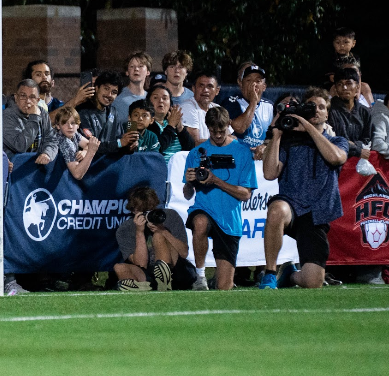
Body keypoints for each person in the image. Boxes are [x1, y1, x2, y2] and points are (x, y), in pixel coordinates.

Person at [260, 87, 349, 289]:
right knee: (276, 210)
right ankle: (270, 273)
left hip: (316, 213)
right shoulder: (289, 142)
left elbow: (336, 158)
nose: (316, 110)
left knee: (313, 282)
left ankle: (290, 274)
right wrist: (277, 136)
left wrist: (307, 127)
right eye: (311, 106)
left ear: (327, 113)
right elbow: (269, 173)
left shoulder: (337, 141)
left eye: (321, 107)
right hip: (290, 206)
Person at [182, 107, 257, 291]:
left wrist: (215, 180)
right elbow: (187, 194)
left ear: (228, 125)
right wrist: (190, 183)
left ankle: (219, 280)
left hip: (230, 221)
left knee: (225, 288)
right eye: (213, 131)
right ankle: (200, 276)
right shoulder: (196, 153)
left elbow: (246, 194)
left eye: (221, 131)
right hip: (205, 208)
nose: (217, 135)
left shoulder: (242, 152)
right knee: (199, 222)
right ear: (207, 127)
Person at [113, 185, 194, 291]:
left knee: (158, 236)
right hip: (148, 272)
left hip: (175, 270)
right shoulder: (125, 229)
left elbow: (184, 253)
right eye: (143, 212)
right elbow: (140, 264)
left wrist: (163, 231)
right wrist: (139, 232)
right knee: (119, 267)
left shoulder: (170, 216)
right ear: (133, 211)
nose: (148, 215)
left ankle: (164, 282)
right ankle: (146, 287)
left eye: (151, 210)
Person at [225, 64, 274, 159]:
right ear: (241, 84)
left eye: (258, 81)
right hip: (238, 158)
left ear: (264, 87)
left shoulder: (270, 106)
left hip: (261, 159)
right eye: (248, 80)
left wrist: (266, 145)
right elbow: (239, 128)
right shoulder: (231, 102)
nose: (253, 84)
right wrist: (253, 102)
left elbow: (275, 135)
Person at [327, 66, 372, 160]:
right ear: (335, 89)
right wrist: (355, 149)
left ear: (357, 87)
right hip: (335, 160)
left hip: (358, 165)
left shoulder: (365, 112)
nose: (344, 88)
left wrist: (355, 145)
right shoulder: (329, 110)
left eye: (349, 83)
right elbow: (330, 139)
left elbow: (367, 139)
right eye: (340, 84)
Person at [77, 71, 126, 155]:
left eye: (114, 92)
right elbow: (90, 146)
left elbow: (119, 139)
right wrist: (119, 143)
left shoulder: (113, 112)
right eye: (106, 89)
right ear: (96, 88)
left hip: (110, 164)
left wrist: (129, 146)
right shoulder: (82, 111)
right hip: (90, 165)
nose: (109, 94)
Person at [3, 79, 53, 161]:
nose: (28, 101)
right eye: (23, 96)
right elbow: (20, 146)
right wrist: (34, 117)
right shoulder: (7, 116)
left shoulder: (42, 113)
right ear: (16, 97)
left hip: (37, 167)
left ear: (37, 100)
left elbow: (51, 139)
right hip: (15, 169)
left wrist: (47, 153)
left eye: (32, 97)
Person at [146, 84, 195, 162]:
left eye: (165, 98)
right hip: (161, 168)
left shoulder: (173, 121)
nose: (161, 101)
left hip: (180, 167)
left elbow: (190, 147)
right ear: (148, 102)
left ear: (170, 104)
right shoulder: (147, 125)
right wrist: (171, 126)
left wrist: (180, 128)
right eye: (155, 98)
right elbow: (157, 148)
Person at [50, 106, 99, 180]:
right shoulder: (64, 141)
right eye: (64, 123)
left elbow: (88, 144)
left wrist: (85, 152)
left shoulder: (74, 133)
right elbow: (77, 174)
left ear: (78, 125)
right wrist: (91, 152)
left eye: (73, 123)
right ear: (58, 126)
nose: (70, 126)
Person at [180, 71, 223, 145]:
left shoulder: (217, 108)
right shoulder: (187, 107)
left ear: (217, 91)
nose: (205, 90)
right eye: (201, 86)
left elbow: (229, 136)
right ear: (193, 89)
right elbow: (195, 143)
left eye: (210, 86)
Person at [109, 52, 152, 123]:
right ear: (127, 72)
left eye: (140, 66)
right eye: (132, 66)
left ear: (148, 72)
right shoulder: (117, 95)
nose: (136, 69)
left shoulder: (151, 98)